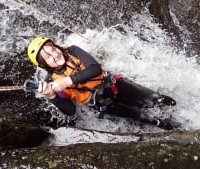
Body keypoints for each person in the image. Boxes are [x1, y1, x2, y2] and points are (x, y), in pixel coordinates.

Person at [25, 36, 177, 130]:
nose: (55, 55)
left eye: (53, 49)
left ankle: (159, 99)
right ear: (44, 65)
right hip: (100, 102)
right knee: (135, 115)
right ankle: (157, 123)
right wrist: (52, 97)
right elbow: (71, 111)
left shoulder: (72, 51)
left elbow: (95, 69)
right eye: (48, 57)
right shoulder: (51, 83)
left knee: (146, 95)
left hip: (110, 83)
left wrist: (68, 80)